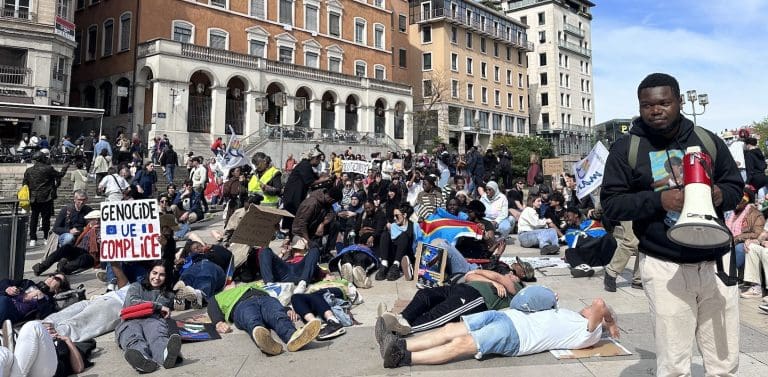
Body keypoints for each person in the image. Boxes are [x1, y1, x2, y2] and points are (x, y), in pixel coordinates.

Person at [600, 73, 742, 376]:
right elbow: (611, 203)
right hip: (665, 266)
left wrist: (719, 194)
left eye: (664, 102)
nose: (656, 110)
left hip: (716, 264)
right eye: (647, 105)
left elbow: (735, 187)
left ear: (678, 101)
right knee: (674, 365)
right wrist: (658, 201)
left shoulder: (706, 140)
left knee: (724, 362)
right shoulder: (627, 149)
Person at [379, 291, 618, 368]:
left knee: (463, 344)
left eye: (588, 309)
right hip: (508, 317)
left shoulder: (589, 332)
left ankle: (404, 357)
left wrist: (611, 321)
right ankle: (400, 344)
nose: (585, 307)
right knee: (452, 328)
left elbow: (599, 304)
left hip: (516, 336)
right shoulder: (572, 317)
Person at [376, 267, 521, 337]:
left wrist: (497, 281)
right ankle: (401, 318)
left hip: (475, 297)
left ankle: (399, 330)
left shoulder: (517, 288)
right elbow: (470, 275)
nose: (510, 273)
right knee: (425, 294)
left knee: (439, 314)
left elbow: (496, 276)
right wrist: (493, 282)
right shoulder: (497, 282)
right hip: (461, 287)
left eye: (514, 274)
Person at [207, 281, 322, 355]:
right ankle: (266, 342)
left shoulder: (251, 285)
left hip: (266, 299)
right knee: (251, 319)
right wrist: (218, 322)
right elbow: (212, 307)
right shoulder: (218, 296)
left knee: (278, 315)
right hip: (241, 305)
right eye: (228, 284)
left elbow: (277, 302)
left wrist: (286, 309)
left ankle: (293, 337)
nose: (232, 284)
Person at [116, 261, 181, 373]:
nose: (157, 277)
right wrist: (156, 306)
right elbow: (133, 302)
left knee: (157, 336)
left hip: (153, 320)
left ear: (167, 277)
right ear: (149, 273)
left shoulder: (168, 295)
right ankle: (142, 360)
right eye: (154, 273)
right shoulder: (136, 286)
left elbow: (161, 309)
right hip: (130, 321)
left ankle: (166, 355)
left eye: (162, 275)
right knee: (133, 338)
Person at [0, 320, 88, 376]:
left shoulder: (63, 344)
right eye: (46, 329)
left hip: (47, 371)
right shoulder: (29, 345)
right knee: (3, 352)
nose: (49, 329)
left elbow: (79, 368)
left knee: (33, 326)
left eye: (51, 328)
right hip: (20, 367)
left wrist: (68, 341)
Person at [34, 209, 101, 275]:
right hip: (81, 250)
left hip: (92, 256)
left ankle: (64, 269)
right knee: (66, 247)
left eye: (98, 220)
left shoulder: (102, 230)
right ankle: (41, 267)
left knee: (84, 258)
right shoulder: (88, 228)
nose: (96, 221)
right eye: (91, 220)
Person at [22, 151, 69, 247]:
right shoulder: (48, 169)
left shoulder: (29, 170)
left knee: (34, 218)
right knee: (45, 219)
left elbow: (24, 184)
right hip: (46, 197)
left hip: (33, 197)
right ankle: (45, 237)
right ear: (42, 159)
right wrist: (65, 167)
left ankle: (32, 238)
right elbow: (60, 175)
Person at [0, 274, 69, 322]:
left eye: (57, 279)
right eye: (52, 275)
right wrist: (7, 288)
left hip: (11, 312)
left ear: (59, 289)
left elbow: (46, 317)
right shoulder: (28, 283)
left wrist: (40, 295)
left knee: (4, 301)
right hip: (3, 299)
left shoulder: (49, 302)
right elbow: (4, 281)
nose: (51, 278)